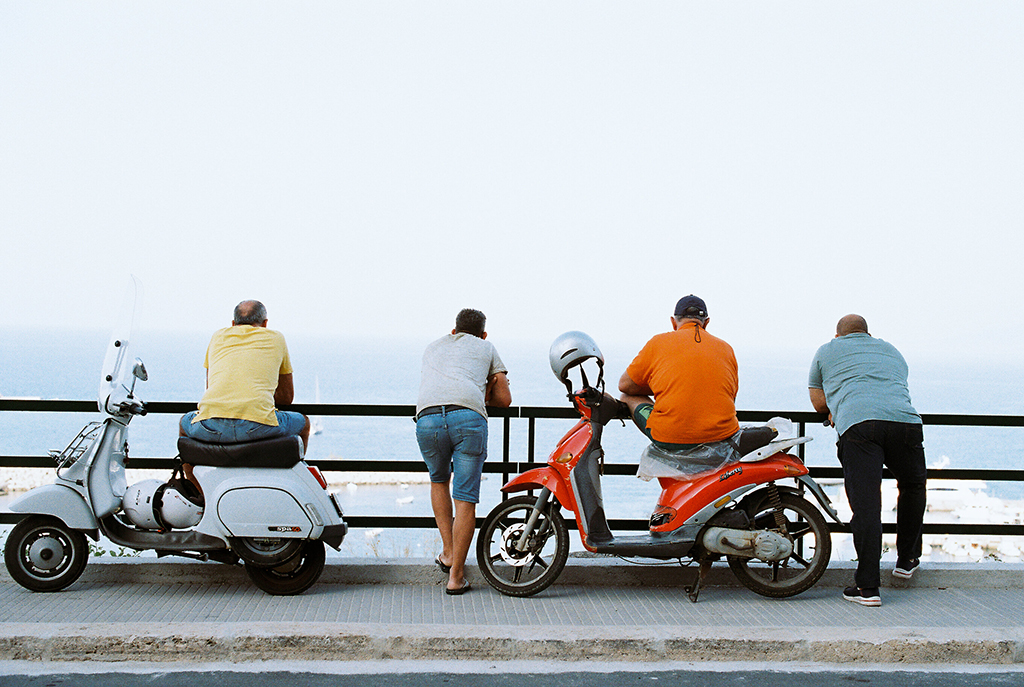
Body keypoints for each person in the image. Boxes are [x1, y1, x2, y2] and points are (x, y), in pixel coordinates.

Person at [809, 314, 927, 607]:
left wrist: (837, 405)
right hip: (905, 422)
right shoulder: (890, 349)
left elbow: (818, 401)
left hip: (860, 425)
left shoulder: (826, 350)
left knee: (866, 504)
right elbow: (895, 384)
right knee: (912, 486)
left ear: (838, 336)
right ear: (868, 334)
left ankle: (868, 588)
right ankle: (907, 559)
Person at [415, 308, 511, 595]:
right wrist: (486, 390)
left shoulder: (433, 347)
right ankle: (456, 577)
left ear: (453, 331)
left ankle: (448, 552)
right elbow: (504, 400)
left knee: (438, 480)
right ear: (483, 334)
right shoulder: (486, 347)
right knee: (466, 499)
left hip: (428, 417)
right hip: (468, 418)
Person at [179, 300, 310, 487]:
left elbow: (210, 387)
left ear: (233, 324)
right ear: (265, 324)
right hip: (257, 426)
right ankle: (296, 484)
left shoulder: (218, 336)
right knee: (304, 423)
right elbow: (287, 399)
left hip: (210, 425)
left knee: (183, 424)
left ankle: (194, 487)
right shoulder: (276, 338)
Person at [618, 295, 740, 449]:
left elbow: (625, 386)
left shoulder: (658, 343)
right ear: (706, 323)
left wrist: (664, 387)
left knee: (627, 397)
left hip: (671, 438)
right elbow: (730, 396)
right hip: (722, 437)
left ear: (673, 322)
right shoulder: (726, 349)